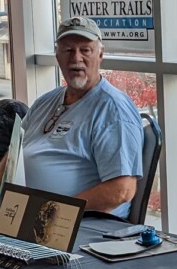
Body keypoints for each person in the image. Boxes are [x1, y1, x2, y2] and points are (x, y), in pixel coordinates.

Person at [10, 16, 143, 217]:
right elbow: (12, 159)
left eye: (85, 50)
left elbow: (122, 190)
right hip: (27, 217)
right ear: (57, 55)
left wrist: (53, 213)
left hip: (83, 225)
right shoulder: (45, 102)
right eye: (68, 50)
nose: (76, 58)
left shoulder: (113, 109)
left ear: (100, 54)